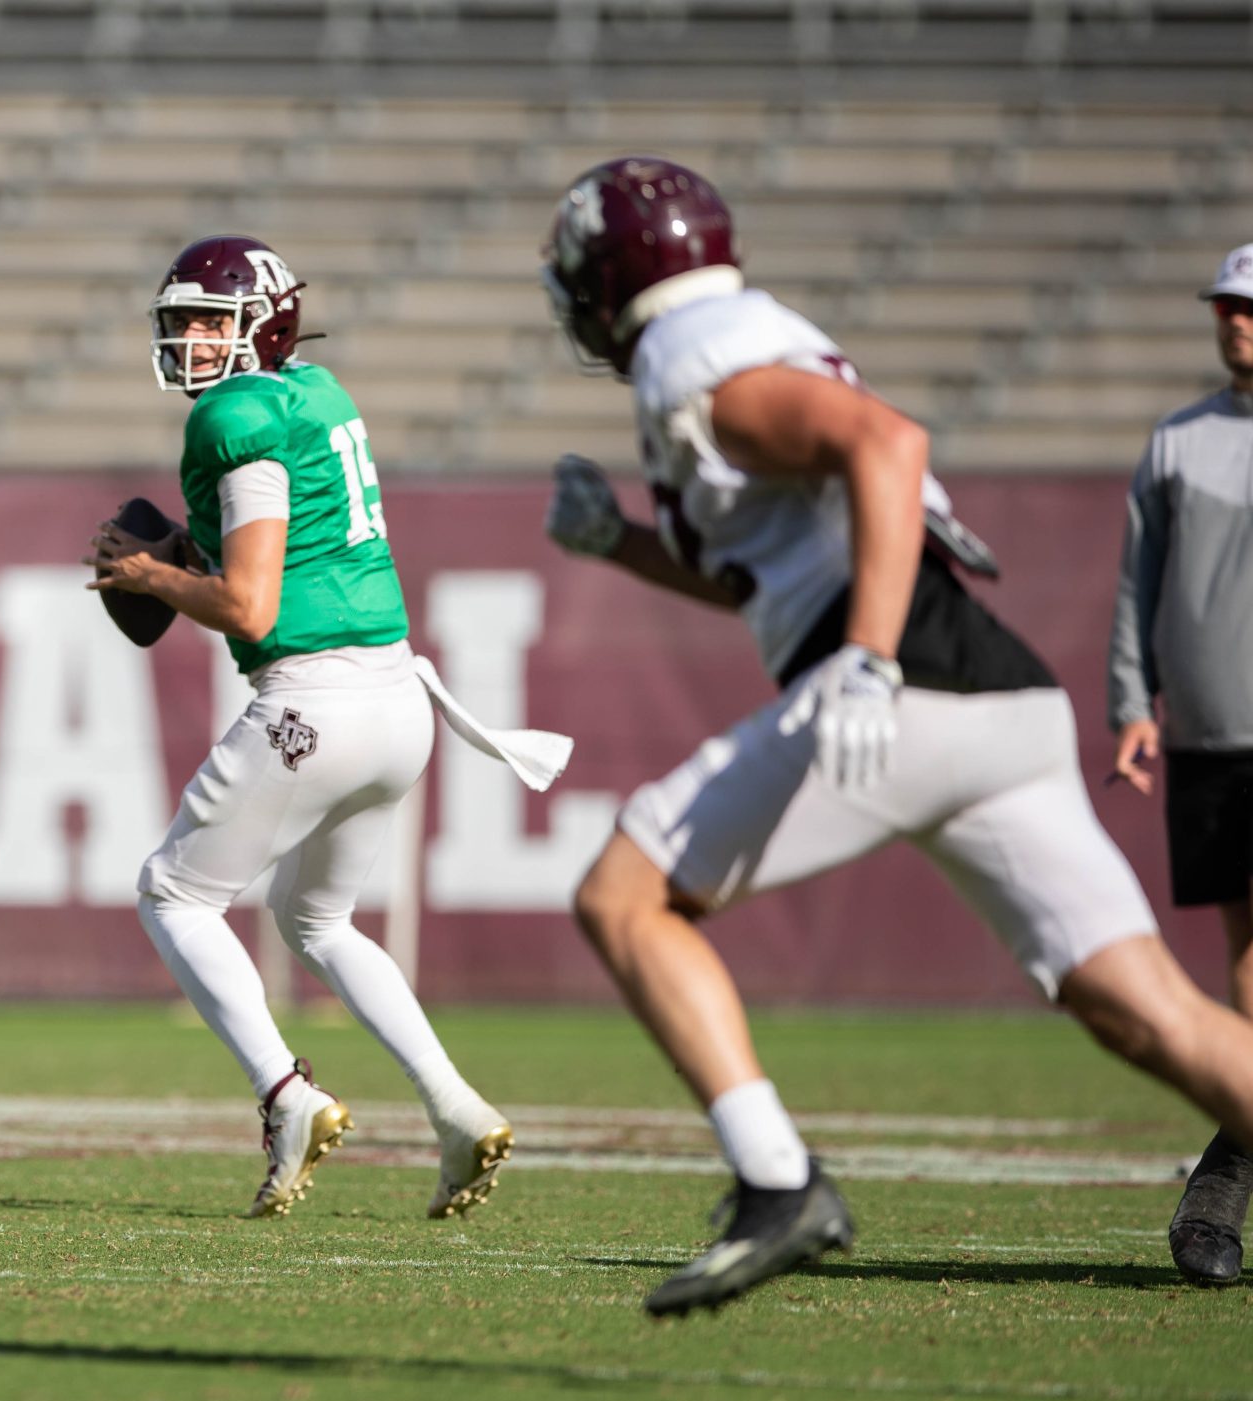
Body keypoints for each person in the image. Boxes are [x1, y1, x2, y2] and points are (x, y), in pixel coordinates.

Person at [541, 156, 1253, 1315]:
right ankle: (776, 1183)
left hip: (903, 680)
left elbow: (886, 444)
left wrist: (866, 658)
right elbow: (769, 575)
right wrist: (622, 543)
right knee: (1154, 1017)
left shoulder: (685, 351)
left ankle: (777, 1183)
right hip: (992, 695)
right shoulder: (736, 338)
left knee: (623, 897)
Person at [92, 236, 569, 1222]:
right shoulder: (316, 391)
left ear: (261, 324)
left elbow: (252, 606)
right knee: (315, 920)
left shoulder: (235, 412)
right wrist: (187, 549)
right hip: (397, 701)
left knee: (172, 893)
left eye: (208, 321)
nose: (188, 339)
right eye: (178, 321)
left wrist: (154, 577)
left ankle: (284, 1093)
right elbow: (287, 533)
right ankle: (455, 1108)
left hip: (314, 702)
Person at [1106, 242, 1253, 1286]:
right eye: (1227, 308)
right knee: (1244, 964)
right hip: (1204, 733)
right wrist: (1129, 703)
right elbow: (1135, 585)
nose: (1235, 322)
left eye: (1250, 309)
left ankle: (1220, 1187)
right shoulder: (1176, 441)